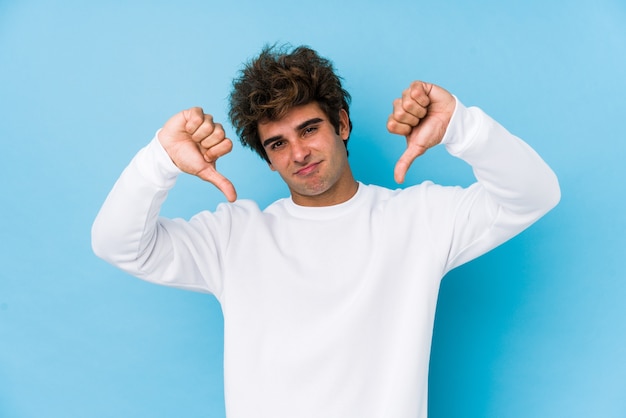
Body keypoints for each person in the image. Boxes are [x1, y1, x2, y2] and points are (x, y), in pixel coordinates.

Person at [92, 45, 560, 418]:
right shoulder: (234, 237)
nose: (298, 153)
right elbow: (118, 245)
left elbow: (535, 193)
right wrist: (160, 160)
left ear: (341, 123)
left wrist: (462, 125)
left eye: (309, 128)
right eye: (278, 143)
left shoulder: (420, 219)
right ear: (269, 158)